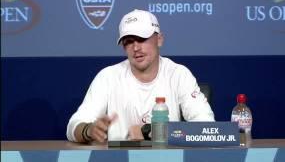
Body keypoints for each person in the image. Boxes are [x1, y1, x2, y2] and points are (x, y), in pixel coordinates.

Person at [66, 9, 215, 143]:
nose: (136, 48)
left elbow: (207, 126)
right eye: (129, 42)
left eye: (142, 39)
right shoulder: (108, 77)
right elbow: (73, 127)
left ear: (159, 39)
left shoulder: (179, 74)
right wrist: (89, 130)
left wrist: (150, 131)